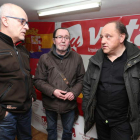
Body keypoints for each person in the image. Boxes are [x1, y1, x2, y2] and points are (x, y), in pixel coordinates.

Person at [82, 21, 140, 140]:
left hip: (124, 122)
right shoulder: (95, 60)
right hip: (100, 119)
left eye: (108, 36)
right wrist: (87, 107)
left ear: (121, 37)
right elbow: (87, 85)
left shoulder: (136, 61)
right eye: (102, 37)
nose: (103, 41)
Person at [34, 27, 85, 140]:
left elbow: (82, 79)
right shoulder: (44, 58)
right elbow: (38, 81)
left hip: (69, 104)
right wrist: (53, 91)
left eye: (66, 37)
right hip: (50, 103)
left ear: (69, 40)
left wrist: (74, 92)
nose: (63, 40)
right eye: (60, 37)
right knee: (51, 130)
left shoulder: (77, 58)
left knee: (67, 132)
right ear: (54, 40)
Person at [0, 3, 36, 140]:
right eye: (22, 22)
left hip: (26, 111)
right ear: (5, 20)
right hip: (6, 115)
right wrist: (2, 113)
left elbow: (27, 75)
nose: (27, 27)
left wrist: (32, 94)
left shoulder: (22, 50)